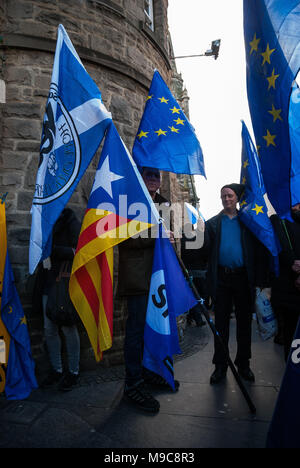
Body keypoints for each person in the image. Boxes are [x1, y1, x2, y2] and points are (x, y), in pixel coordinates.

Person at [118, 167, 178, 413]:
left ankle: (148, 372)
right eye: (149, 175)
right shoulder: (128, 201)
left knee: (153, 326)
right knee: (135, 331)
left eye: (157, 176)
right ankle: (133, 383)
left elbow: (167, 237)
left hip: (159, 278)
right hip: (138, 278)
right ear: (141, 178)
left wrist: (171, 240)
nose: (153, 180)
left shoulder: (164, 203)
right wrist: (157, 234)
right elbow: (124, 237)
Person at [199, 183, 268, 385]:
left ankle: (243, 364)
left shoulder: (248, 222)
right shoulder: (212, 224)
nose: (226, 199)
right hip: (221, 279)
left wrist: (260, 280)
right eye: (223, 196)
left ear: (237, 198)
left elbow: (258, 252)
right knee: (220, 324)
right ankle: (220, 366)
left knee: (244, 324)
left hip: (243, 278)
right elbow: (203, 253)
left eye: (229, 195)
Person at [39, 208, 81, 391]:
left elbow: (78, 250)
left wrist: (51, 250)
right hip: (47, 281)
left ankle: (73, 372)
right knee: (49, 329)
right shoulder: (42, 217)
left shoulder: (69, 218)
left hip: (63, 283)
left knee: (68, 327)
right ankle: (56, 369)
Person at [270, 203, 300, 361]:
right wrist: (291, 263)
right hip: (288, 290)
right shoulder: (277, 221)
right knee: (291, 334)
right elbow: (277, 248)